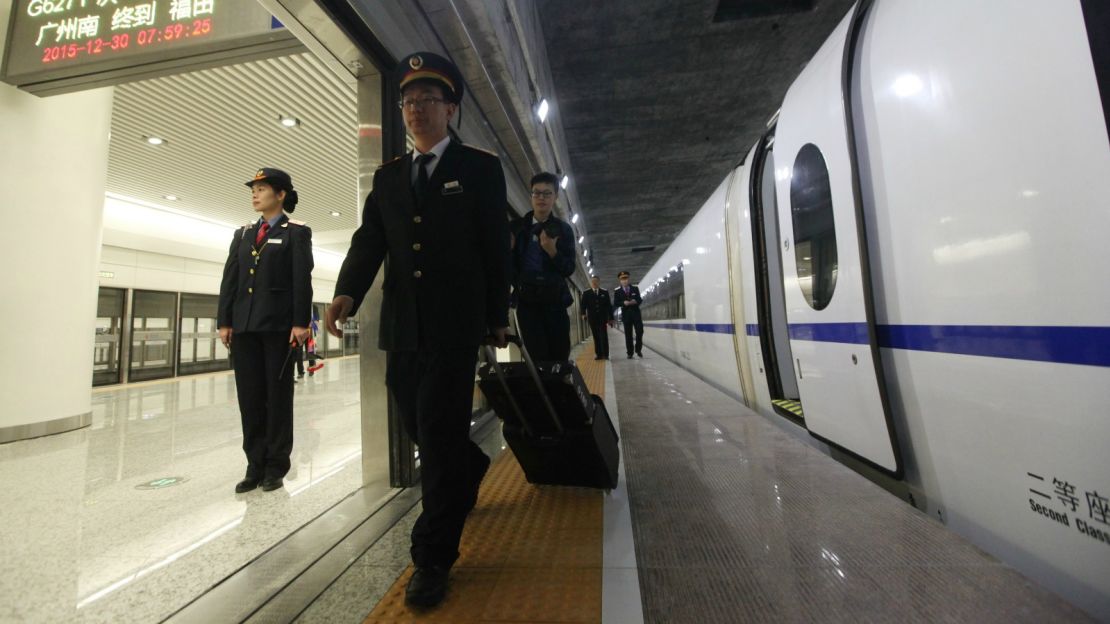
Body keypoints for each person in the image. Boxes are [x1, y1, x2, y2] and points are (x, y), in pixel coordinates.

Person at [324, 51, 510, 609]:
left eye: (427, 100)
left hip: (455, 327)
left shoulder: (479, 168)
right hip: (403, 327)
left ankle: (432, 557)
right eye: (407, 102)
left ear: (450, 108)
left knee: (435, 428)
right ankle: (471, 464)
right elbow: (369, 242)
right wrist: (345, 291)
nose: (415, 110)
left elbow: (494, 248)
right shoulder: (387, 178)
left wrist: (497, 314)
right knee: (419, 425)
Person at [218, 168, 314, 493]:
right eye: (253, 189)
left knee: (277, 398)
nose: (255, 194)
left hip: (278, 328)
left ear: (281, 194)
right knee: (250, 399)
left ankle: (276, 466)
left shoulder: (296, 232)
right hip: (244, 328)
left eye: (262, 188)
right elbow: (230, 279)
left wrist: (301, 322)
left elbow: (302, 280)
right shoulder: (243, 234)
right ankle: (254, 465)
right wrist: (224, 321)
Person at [510, 172, 576, 361]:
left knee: (560, 356)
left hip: (555, 301)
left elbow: (569, 268)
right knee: (535, 358)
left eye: (547, 193)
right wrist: (520, 283)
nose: (541, 198)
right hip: (526, 302)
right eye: (536, 193)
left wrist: (552, 251)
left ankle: (559, 390)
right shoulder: (516, 228)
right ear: (530, 196)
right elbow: (506, 265)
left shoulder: (563, 230)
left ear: (555, 197)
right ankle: (541, 391)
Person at [580, 276, 613, 360]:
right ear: (591, 283)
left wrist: (611, 318)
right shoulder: (586, 293)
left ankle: (605, 354)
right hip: (592, 318)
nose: (594, 283)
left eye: (596, 281)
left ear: (599, 282)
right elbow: (583, 305)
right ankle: (599, 354)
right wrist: (583, 314)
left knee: (603, 335)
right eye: (593, 282)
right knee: (596, 336)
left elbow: (609, 306)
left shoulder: (604, 292)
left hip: (602, 318)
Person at [612, 270, 643, 358]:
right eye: (622, 279)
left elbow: (640, 300)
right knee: (628, 335)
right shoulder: (617, 291)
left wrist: (635, 301)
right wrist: (623, 303)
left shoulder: (635, 289)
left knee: (640, 331)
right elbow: (616, 303)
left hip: (636, 314)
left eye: (626, 278)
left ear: (628, 279)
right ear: (620, 280)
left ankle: (638, 349)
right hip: (626, 315)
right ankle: (630, 353)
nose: (624, 280)